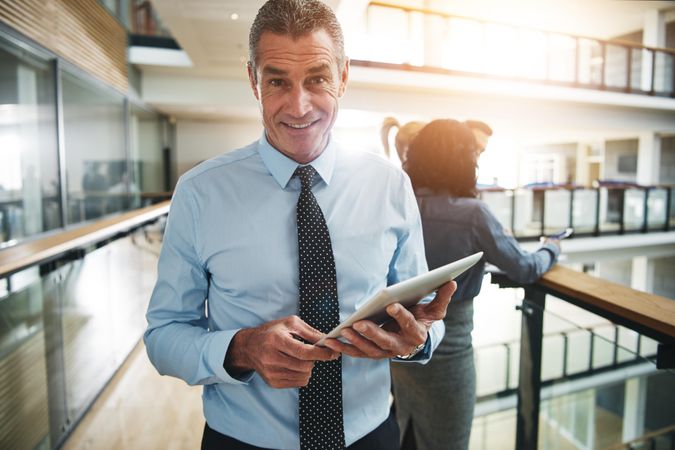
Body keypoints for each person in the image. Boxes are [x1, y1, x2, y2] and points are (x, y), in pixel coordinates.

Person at [144, 1, 455, 450]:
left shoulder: (390, 185)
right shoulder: (199, 194)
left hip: (371, 436)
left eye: (317, 79)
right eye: (277, 81)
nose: (299, 105)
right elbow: (163, 335)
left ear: (343, 76)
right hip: (242, 442)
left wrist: (416, 339)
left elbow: (423, 312)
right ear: (253, 80)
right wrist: (241, 348)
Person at [390, 119, 560, 450]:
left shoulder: (400, 206)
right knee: (447, 440)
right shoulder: (472, 214)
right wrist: (551, 248)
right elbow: (524, 268)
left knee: (406, 434)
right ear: (464, 161)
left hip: (402, 350)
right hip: (449, 352)